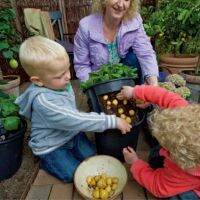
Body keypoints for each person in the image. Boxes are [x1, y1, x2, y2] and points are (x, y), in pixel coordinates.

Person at [15, 36, 131, 182]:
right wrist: (111, 121)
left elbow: (71, 117)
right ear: (38, 81)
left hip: (70, 133)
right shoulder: (44, 102)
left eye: (67, 69)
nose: (68, 76)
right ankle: (46, 160)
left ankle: (70, 151)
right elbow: (75, 119)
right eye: (60, 75)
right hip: (51, 145)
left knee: (91, 156)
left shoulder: (62, 84)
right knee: (73, 174)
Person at [116, 85, 200, 199]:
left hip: (192, 182)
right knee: (155, 155)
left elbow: (158, 186)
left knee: (182, 196)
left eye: (166, 144)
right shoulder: (185, 114)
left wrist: (135, 163)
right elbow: (164, 95)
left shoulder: (184, 171)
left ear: (176, 154)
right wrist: (135, 92)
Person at [74, 0, 159, 85]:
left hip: (123, 72)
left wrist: (153, 82)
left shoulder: (134, 21)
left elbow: (145, 53)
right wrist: (93, 89)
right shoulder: (86, 26)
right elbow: (82, 65)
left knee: (133, 58)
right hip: (99, 79)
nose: (121, 5)